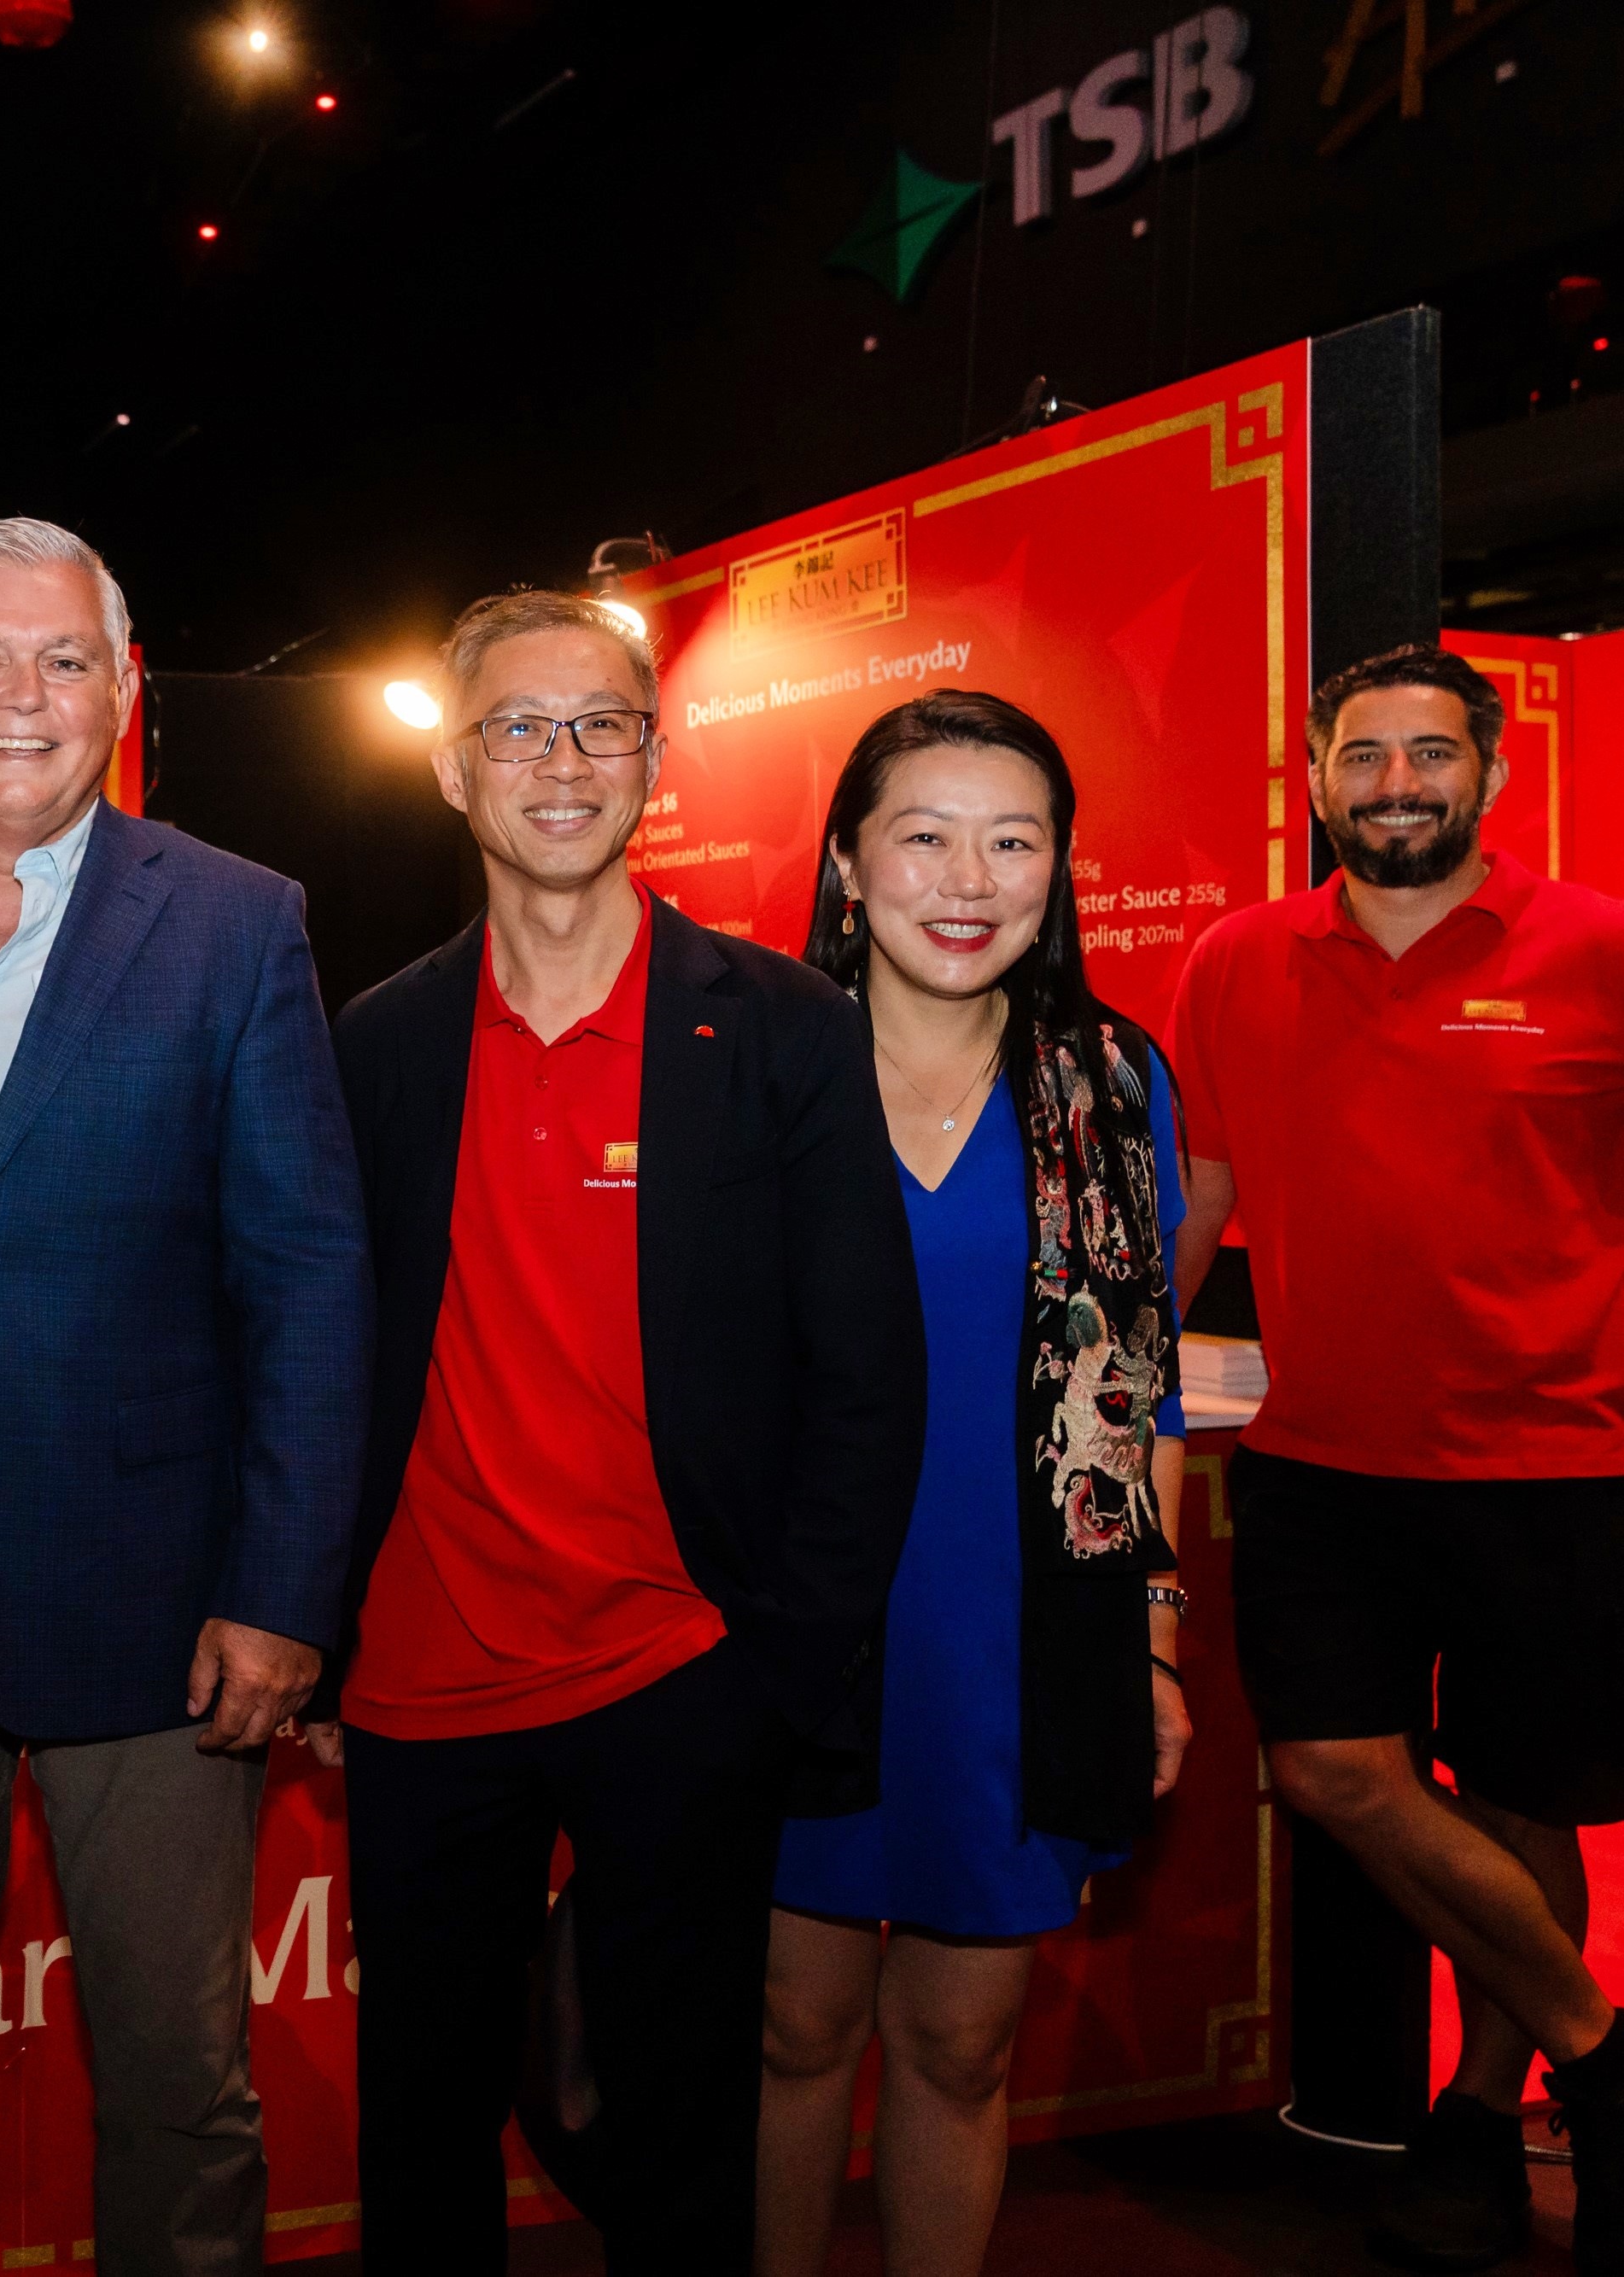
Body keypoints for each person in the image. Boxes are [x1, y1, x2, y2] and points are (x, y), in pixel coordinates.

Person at [301, 588, 925, 2275]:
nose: (562, 761)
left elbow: (867, 1377)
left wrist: (776, 1670)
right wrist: (310, 1613)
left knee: (679, 2137)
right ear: (452, 770)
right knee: (423, 2123)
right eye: (517, 726)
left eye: (600, 725)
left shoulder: (783, 1028)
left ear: (653, 761)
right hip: (424, 1678)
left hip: (682, 1674)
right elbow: (318, 1349)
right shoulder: (379, 1041)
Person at [0, 516, 371, 2277]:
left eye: (64, 660)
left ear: (122, 691)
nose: (23, 696)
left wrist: (283, 1591)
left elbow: (306, 1275)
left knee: (179, 2080)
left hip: (158, 1607)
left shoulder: (235, 921)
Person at [1169, 643, 1624, 2274]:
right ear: (1316, 779)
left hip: (1557, 1460)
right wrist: (1097, 1369)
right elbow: (1200, 1189)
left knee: (1521, 1800)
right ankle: (1602, 2049)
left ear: (1490, 774)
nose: (1398, 785)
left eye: (1432, 755)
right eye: (1363, 756)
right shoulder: (1238, 958)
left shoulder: (1597, 946)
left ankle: (1484, 2123)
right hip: (1322, 1460)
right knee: (1328, 1771)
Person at [754, 692, 1195, 2277]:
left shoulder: (1114, 1082)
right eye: (924, 835)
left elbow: (1139, 1387)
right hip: (792, 1627)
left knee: (959, 2042)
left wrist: (1154, 1640)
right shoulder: (756, 1066)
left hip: (1023, 1637)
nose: (968, 878)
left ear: (1059, 866)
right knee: (789, 2028)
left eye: (1012, 840)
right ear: (849, 861)